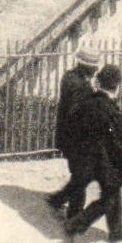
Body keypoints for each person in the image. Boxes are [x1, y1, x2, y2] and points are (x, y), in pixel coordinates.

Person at [64, 64, 122, 243]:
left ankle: (117, 232)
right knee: (109, 198)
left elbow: (76, 127)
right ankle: (76, 224)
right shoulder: (109, 108)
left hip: (90, 158)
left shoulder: (89, 102)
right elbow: (119, 140)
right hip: (108, 161)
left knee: (113, 195)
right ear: (117, 85)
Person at [45, 49, 100, 221]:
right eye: (94, 67)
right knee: (81, 176)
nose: (96, 70)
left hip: (69, 135)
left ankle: (59, 199)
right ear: (86, 66)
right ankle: (74, 215)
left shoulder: (70, 77)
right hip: (77, 138)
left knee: (81, 174)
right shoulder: (79, 85)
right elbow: (76, 113)